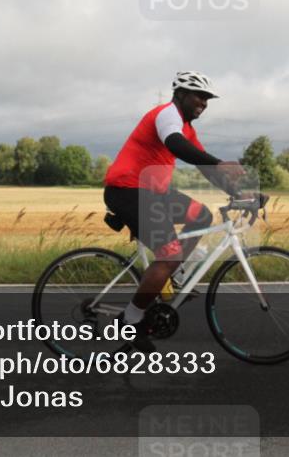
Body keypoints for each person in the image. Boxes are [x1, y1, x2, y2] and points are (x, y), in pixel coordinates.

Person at [104, 71, 245, 351]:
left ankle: (173, 273)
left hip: (152, 191)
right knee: (169, 254)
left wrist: (240, 194)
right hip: (128, 189)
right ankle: (129, 321)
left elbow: (203, 166)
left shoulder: (187, 129)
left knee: (201, 215)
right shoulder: (166, 114)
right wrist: (219, 163)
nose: (203, 103)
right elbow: (175, 145)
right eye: (199, 96)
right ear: (180, 94)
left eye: (207, 99)